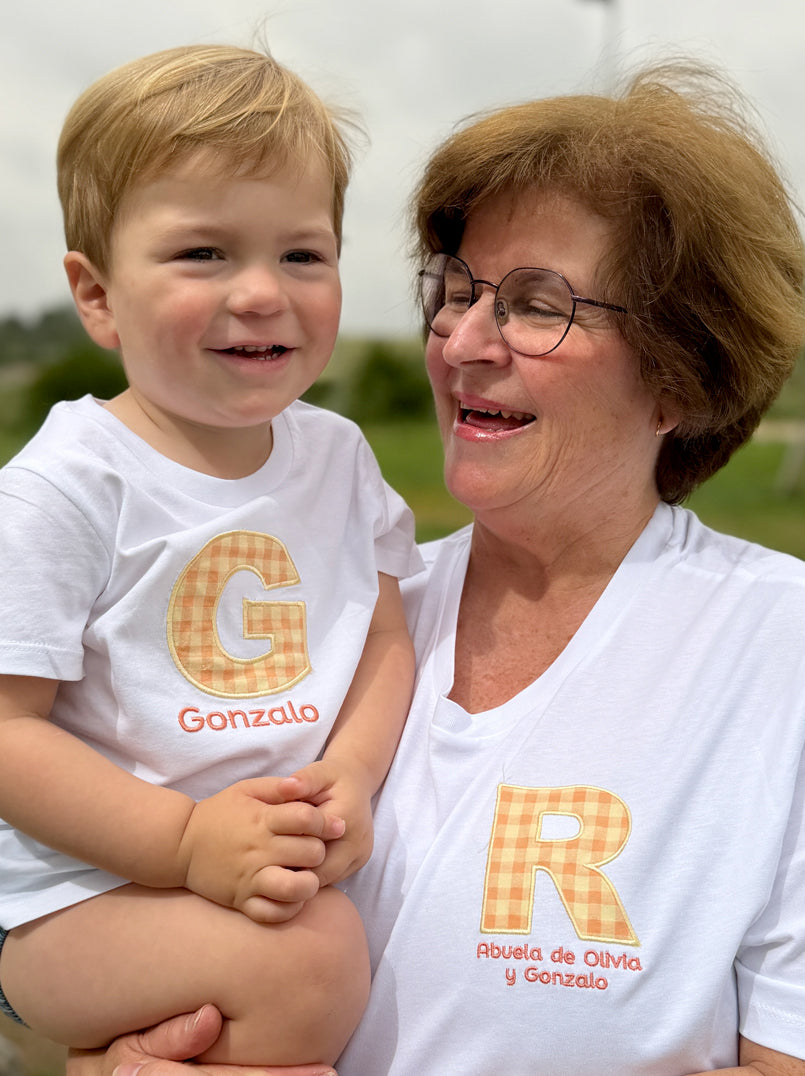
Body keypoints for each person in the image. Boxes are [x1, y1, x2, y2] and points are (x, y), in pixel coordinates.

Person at [69, 60, 805, 1076]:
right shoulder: (311, 611)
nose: (460, 340)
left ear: (679, 373)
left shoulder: (776, 648)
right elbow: (96, 908)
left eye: (535, 304)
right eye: (455, 292)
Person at [0, 44, 422, 1069]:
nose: (261, 291)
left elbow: (382, 633)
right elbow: (10, 733)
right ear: (96, 295)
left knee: (319, 946)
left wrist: (351, 777)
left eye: (301, 254)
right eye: (203, 254)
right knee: (313, 960)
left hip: (258, 869)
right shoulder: (67, 484)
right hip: (86, 892)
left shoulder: (337, 455)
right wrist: (183, 845)